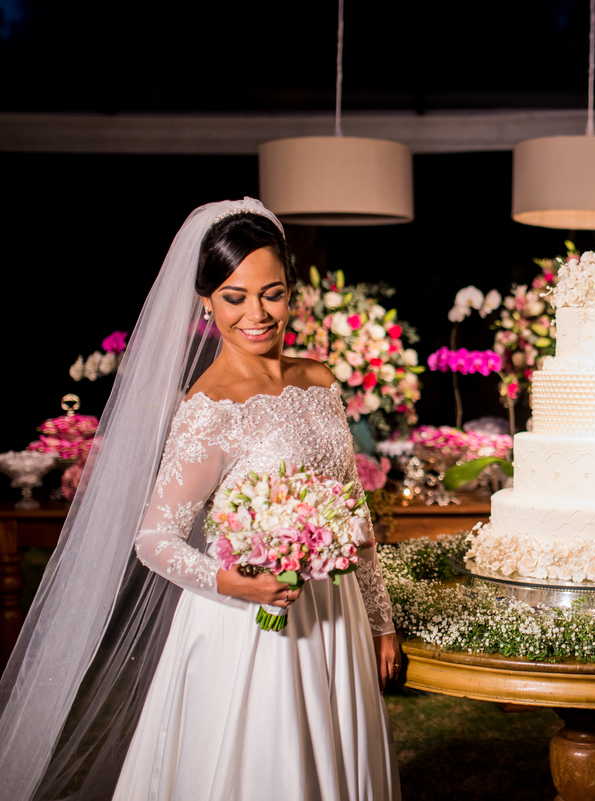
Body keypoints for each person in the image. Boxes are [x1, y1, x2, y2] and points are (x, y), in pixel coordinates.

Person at [0, 199, 399, 800]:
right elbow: (153, 539)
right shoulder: (209, 409)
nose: (258, 314)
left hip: (333, 612)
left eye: (273, 293)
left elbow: (352, 507)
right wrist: (239, 585)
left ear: (292, 293)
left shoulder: (319, 381)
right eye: (235, 297)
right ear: (206, 301)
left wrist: (378, 618)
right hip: (256, 627)